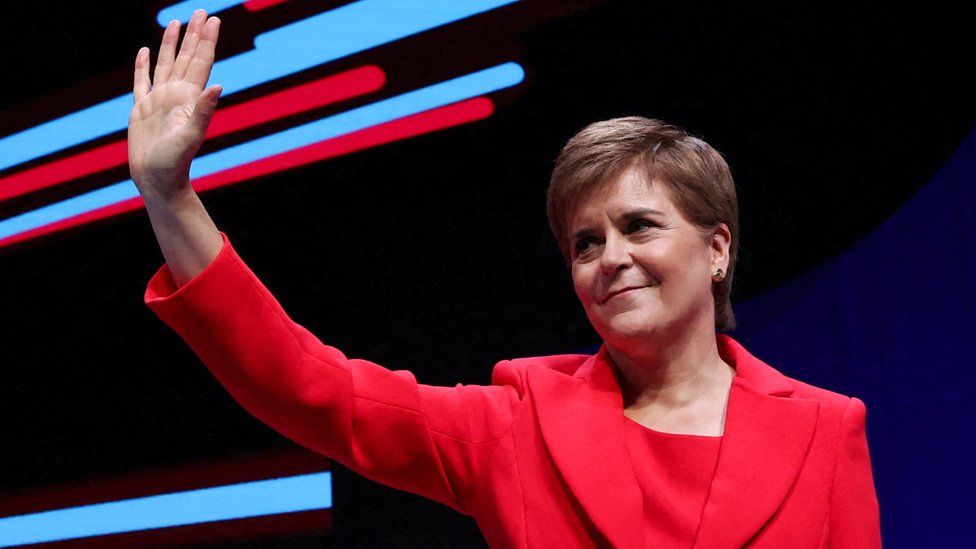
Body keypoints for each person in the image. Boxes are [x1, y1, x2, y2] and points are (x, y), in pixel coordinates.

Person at [131, 9, 881, 548]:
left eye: (639, 225)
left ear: (718, 248)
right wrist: (170, 196)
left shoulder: (823, 429)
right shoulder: (518, 424)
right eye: (585, 242)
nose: (608, 256)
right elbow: (311, 387)